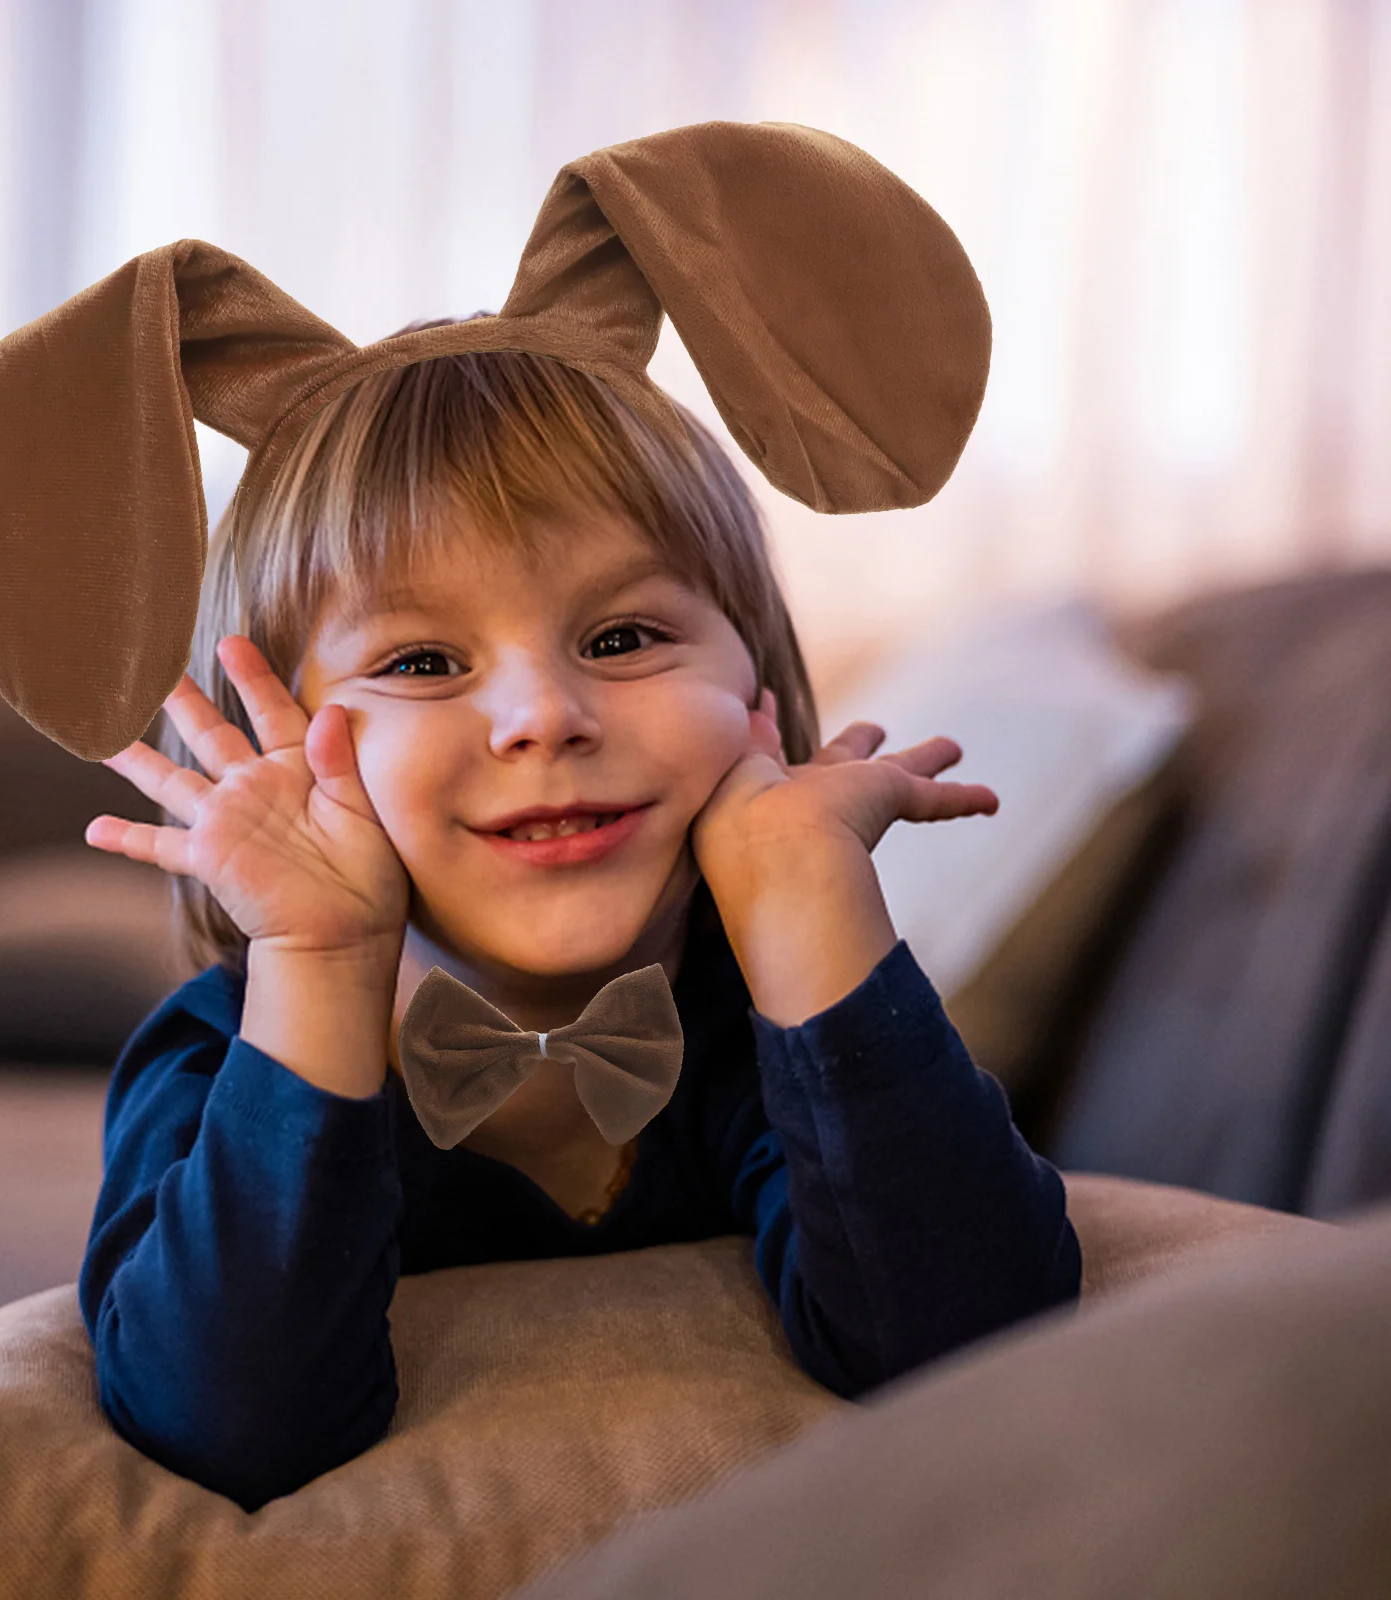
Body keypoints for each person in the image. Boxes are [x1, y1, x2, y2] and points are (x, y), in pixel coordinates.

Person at [75, 343, 1082, 1511]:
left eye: (621, 639)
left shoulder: (776, 1027)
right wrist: (318, 959)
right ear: (278, 749)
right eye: (421, 660)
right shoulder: (208, 1061)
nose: (544, 716)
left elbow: (976, 1349)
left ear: (758, 698)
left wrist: (812, 906)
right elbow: (228, 1426)